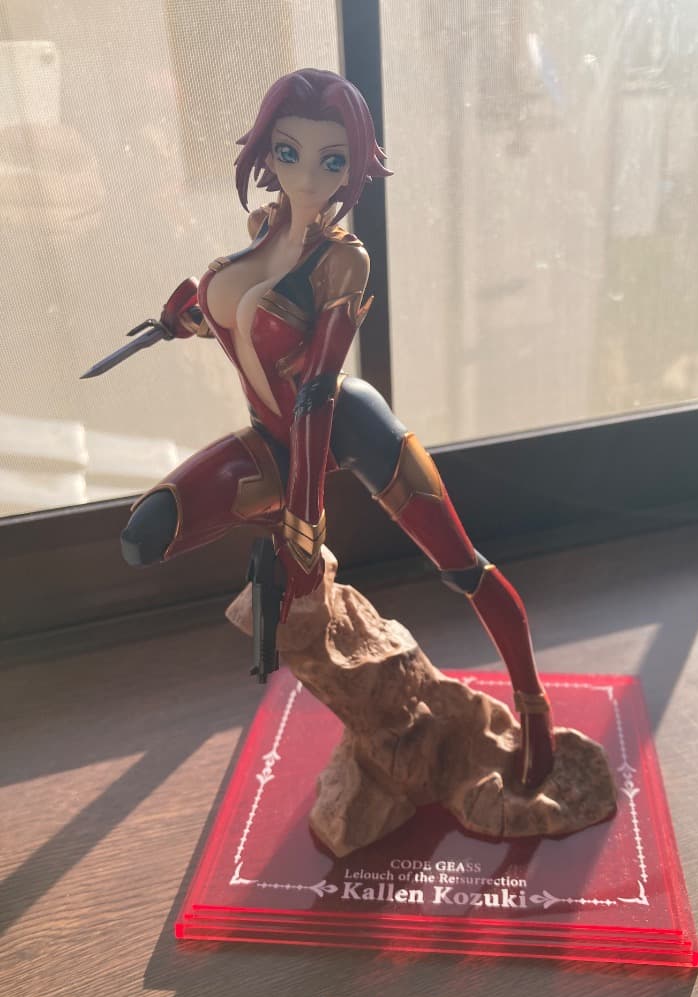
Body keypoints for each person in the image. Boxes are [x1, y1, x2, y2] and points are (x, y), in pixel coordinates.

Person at [120, 69, 554, 787]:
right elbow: (241, 323)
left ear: (355, 167)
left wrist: (304, 522)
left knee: (460, 564)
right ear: (266, 151)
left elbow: (317, 392)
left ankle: (533, 705)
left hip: (346, 426)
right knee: (145, 534)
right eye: (289, 153)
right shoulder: (263, 231)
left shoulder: (344, 261)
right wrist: (184, 319)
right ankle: (274, 558)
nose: (308, 177)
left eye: (332, 161)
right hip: (269, 438)